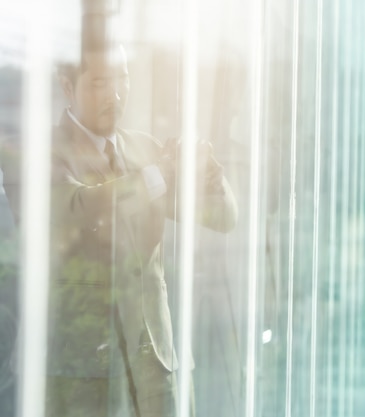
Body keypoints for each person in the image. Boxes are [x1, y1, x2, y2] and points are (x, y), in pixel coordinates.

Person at [0, 31, 238, 416]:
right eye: (100, 83)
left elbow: (224, 218)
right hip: (76, 374)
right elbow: (76, 207)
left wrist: (209, 177)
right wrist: (157, 176)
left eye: (123, 78)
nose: (116, 93)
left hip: (156, 369)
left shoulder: (144, 149)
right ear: (67, 87)